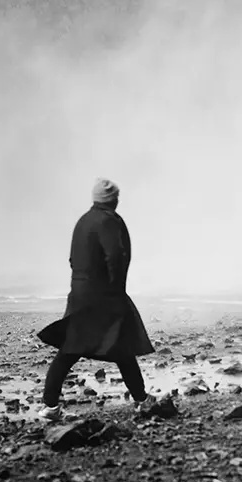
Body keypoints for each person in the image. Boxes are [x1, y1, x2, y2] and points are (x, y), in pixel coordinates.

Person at [36, 178, 155, 421]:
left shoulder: (83, 221)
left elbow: (72, 259)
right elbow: (116, 257)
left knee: (74, 348)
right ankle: (141, 400)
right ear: (114, 200)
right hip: (103, 295)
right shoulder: (108, 221)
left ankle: (50, 407)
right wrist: (116, 289)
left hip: (80, 293)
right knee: (119, 343)